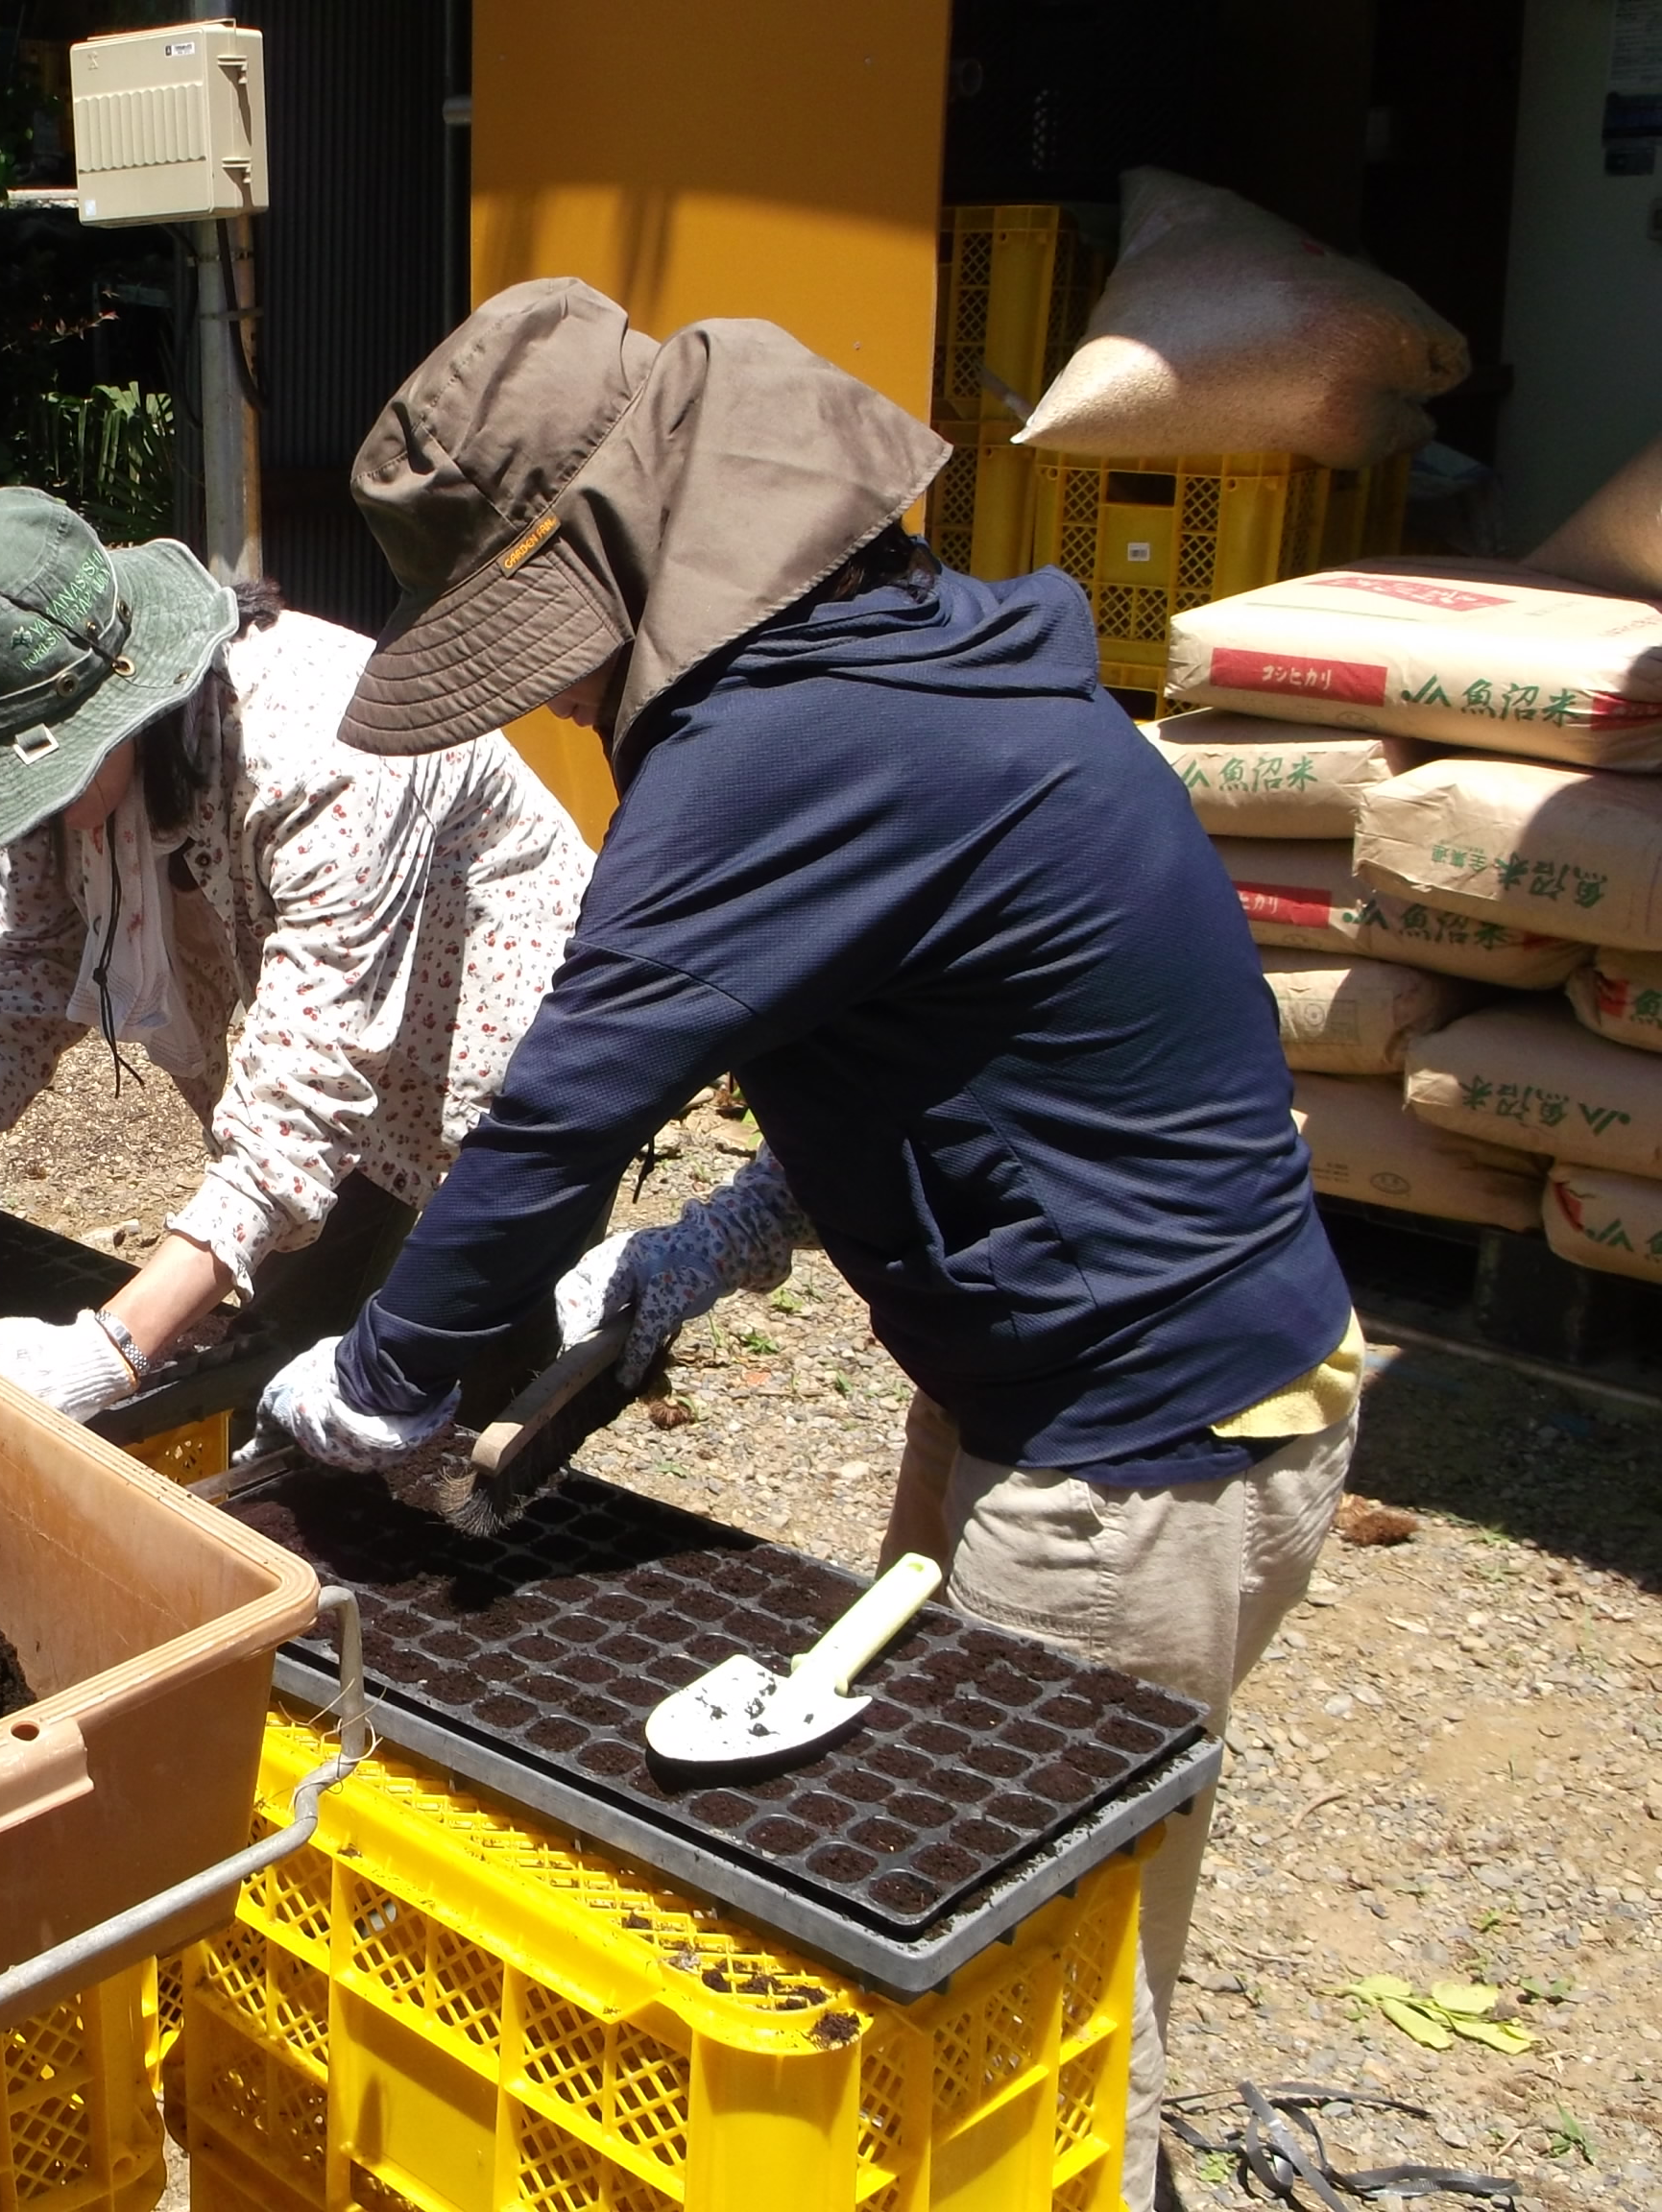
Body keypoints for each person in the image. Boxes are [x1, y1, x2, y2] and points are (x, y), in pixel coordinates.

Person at [255, 281, 1361, 2212]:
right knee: (977, 1898)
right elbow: (956, 1050)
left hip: (1139, 1441)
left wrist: (381, 1377)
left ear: (627, 562)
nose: (565, 702)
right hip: (1080, 1377)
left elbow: (564, 1104)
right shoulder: (904, 653)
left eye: (558, 652)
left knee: (1015, 1985)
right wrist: (711, 1243)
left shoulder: (778, 742)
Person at [0, 485, 591, 1421]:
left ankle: (543, 1379)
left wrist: (115, 1346)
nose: (20, 821)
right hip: (338, 1036)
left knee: (463, 1348)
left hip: (495, 1023)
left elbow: (305, 1087)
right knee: (295, 1334)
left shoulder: (326, 746)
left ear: (114, 706)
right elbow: (29, 959)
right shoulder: (72, 769)